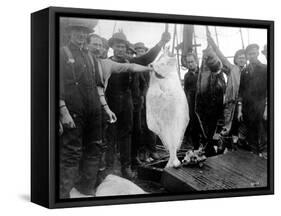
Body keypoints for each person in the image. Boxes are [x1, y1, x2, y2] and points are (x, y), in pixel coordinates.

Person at [105, 30, 171, 178]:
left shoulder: (130, 61)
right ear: (112, 47)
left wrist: (161, 43)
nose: (120, 49)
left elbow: (148, 57)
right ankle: (109, 168)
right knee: (110, 135)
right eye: (117, 46)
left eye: (123, 46)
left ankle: (126, 167)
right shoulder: (106, 62)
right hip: (111, 102)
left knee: (127, 134)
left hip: (127, 102)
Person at [59, 18, 103, 198]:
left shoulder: (91, 57)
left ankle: (86, 189)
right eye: (77, 30)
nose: (81, 34)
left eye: (84, 32)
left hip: (94, 112)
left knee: (94, 148)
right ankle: (63, 194)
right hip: (74, 112)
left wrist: (105, 109)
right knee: (71, 152)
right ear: (70, 32)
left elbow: (98, 85)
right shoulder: (61, 53)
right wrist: (63, 111)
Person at [207, 34, 247, 150]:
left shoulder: (247, 72)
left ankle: (236, 150)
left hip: (242, 105)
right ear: (235, 59)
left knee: (241, 129)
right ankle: (221, 149)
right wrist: (213, 44)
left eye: (243, 58)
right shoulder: (231, 68)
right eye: (239, 57)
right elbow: (222, 57)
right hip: (231, 105)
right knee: (226, 129)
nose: (241, 59)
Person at [195, 47, 227, 156]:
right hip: (204, 105)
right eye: (204, 57)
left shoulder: (217, 70)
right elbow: (200, 89)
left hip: (214, 105)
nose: (205, 59)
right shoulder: (202, 70)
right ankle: (208, 146)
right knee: (206, 129)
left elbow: (222, 85)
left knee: (212, 127)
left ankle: (210, 146)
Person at [237, 44, 267, 156]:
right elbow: (241, 91)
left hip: (261, 108)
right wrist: (240, 110)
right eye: (250, 54)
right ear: (247, 56)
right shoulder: (245, 71)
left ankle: (265, 162)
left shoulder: (265, 69)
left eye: (254, 53)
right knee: (251, 137)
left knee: (263, 137)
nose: (252, 56)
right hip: (248, 109)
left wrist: (267, 109)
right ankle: (254, 159)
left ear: (258, 54)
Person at [183, 52, 201, 150]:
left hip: (202, 104)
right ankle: (196, 148)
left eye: (192, 61)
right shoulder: (187, 76)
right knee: (194, 127)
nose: (190, 64)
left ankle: (207, 148)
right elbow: (186, 91)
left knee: (204, 128)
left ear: (196, 61)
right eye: (188, 62)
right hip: (192, 104)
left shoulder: (203, 73)